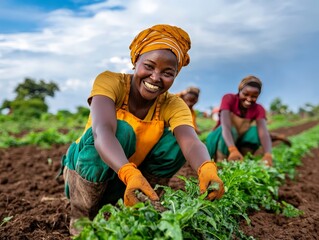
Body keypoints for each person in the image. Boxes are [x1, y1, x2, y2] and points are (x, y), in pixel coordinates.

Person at [59, 24, 225, 235]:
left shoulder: (172, 104)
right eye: (149, 66)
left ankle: (142, 204)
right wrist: (128, 172)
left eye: (167, 73)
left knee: (175, 143)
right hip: (86, 172)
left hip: (129, 179)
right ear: (135, 61)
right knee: (123, 132)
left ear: (175, 76)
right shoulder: (110, 82)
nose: (155, 77)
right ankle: (83, 222)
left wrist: (206, 168)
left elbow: (190, 141)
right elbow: (102, 131)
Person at [205, 75, 274, 166]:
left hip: (238, 140)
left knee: (254, 132)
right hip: (220, 138)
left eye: (254, 96)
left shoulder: (259, 109)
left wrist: (268, 154)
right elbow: (226, 127)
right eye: (245, 94)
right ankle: (220, 162)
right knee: (231, 130)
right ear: (239, 90)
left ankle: (243, 160)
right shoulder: (229, 99)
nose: (249, 99)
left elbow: (263, 132)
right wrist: (232, 149)